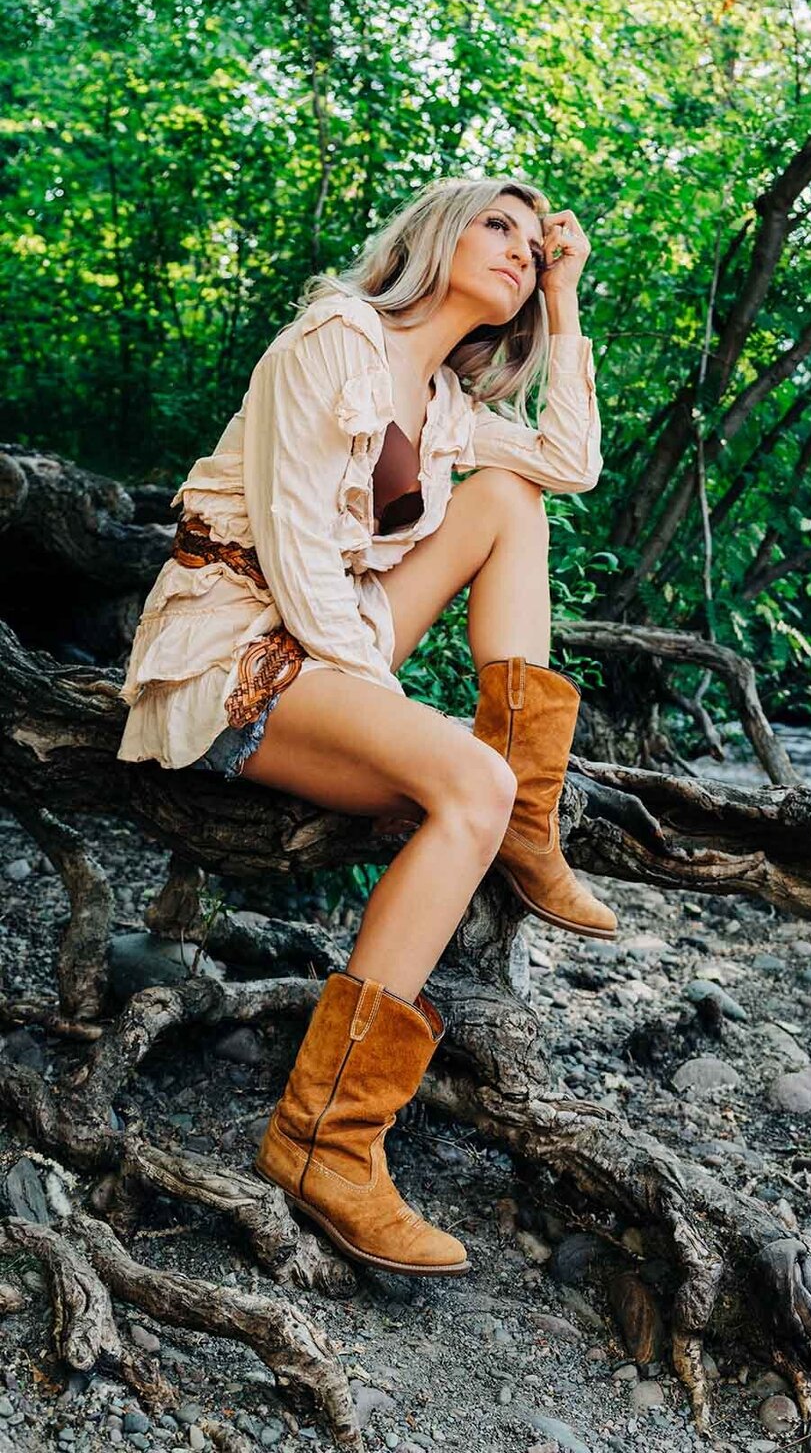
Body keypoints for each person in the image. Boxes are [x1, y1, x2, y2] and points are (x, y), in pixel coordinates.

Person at [115, 175, 618, 1277]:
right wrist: (402, 722)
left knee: (511, 501)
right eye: (500, 226)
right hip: (235, 642)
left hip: (328, 641)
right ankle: (326, 1141)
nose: (524, 254)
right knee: (463, 786)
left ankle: (526, 813)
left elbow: (570, 464)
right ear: (437, 234)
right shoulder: (329, 343)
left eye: (538, 250)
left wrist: (570, 305)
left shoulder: (444, 403)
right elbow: (297, 561)